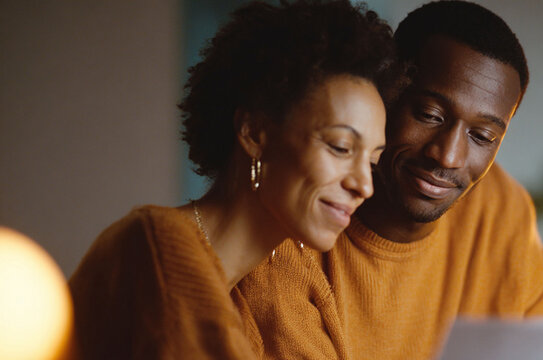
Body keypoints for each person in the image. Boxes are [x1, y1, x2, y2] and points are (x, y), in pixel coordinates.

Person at [238, 1, 543, 359]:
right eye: (429, 114)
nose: (448, 156)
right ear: (385, 94)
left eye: (482, 136)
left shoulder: (497, 206)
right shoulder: (291, 229)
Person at [67, 1, 401, 358]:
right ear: (254, 132)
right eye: (340, 147)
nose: (364, 186)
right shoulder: (158, 245)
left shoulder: (248, 297)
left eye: (372, 161)